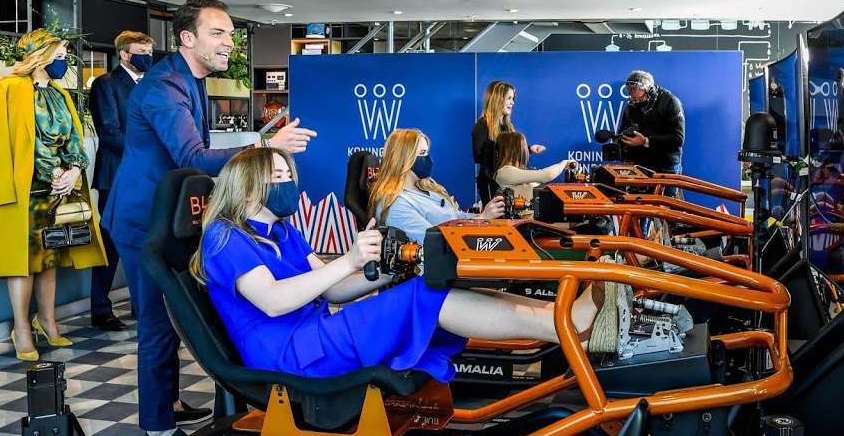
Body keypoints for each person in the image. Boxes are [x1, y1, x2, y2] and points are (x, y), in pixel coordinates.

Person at [101, 0, 316, 436]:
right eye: (217, 33)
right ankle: (156, 431)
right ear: (187, 38)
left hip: (174, 216)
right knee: (157, 322)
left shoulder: (190, 79)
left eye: (230, 34)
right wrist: (265, 146)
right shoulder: (164, 85)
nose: (228, 42)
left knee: (184, 317)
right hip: (143, 221)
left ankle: (172, 402)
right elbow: (193, 157)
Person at [191, 147, 611, 381]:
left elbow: (333, 289)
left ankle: (561, 318)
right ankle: (563, 326)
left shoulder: (283, 232)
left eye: (289, 175)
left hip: (316, 338)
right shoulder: (224, 237)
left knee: (432, 284)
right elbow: (273, 301)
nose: (289, 183)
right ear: (248, 186)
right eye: (278, 177)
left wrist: (387, 269)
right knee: (426, 295)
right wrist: (349, 260)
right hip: (287, 357)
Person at [0, 28, 107, 361]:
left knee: (51, 257)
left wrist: (74, 169)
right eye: (58, 57)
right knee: (23, 262)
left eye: (64, 57)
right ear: (39, 57)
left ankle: (47, 320)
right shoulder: (8, 89)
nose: (64, 63)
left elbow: (74, 137)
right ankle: (21, 328)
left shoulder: (59, 95)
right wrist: (54, 173)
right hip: (24, 191)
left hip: (59, 189)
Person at [88, 30, 155, 331]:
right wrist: (147, 152)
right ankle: (100, 309)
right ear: (124, 55)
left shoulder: (152, 85)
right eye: (142, 52)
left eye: (150, 52)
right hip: (115, 174)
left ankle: (141, 304)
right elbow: (109, 132)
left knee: (145, 240)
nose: (148, 58)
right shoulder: (106, 84)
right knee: (111, 243)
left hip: (148, 177)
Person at [370, 128, 506, 244]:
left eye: (427, 152)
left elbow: (456, 217)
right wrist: (480, 220)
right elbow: (433, 242)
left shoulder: (428, 188)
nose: (428, 159)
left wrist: (486, 216)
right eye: (422, 154)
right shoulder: (395, 204)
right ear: (403, 159)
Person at [472, 81, 545, 205]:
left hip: (509, 183)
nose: (512, 103)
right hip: (493, 186)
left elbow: (510, 153)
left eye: (513, 99)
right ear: (498, 99)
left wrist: (529, 149)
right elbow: (479, 157)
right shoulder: (481, 126)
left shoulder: (508, 126)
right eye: (509, 98)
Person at [620, 70, 685, 177]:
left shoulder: (671, 102)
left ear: (650, 92)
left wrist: (646, 141)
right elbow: (624, 132)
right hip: (640, 164)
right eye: (633, 98)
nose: (636, 102)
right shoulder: (631, 106)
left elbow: (678, 138)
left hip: (666, 165)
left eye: (640, 99)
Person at [493, 131, 572, 216]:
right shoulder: (504, 172)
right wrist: (563, 164)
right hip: (527, 221)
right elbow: (547, 175)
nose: (525, 151)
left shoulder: (515, 172)